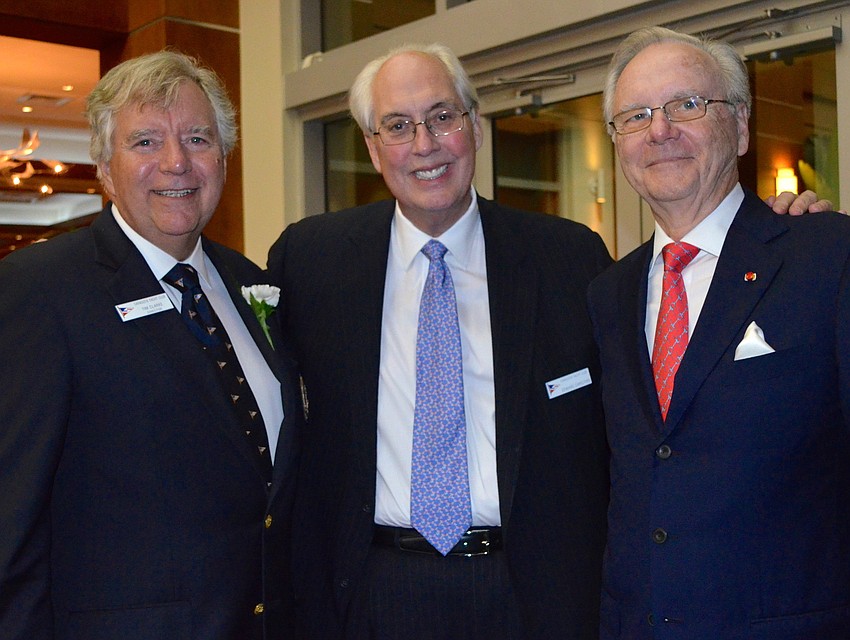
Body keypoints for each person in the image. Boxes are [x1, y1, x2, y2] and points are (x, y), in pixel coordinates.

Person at [266, 43, 825, 639]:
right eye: (397, 126)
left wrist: (769, 232)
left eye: (443, 117)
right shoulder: (309, 261)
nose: (424, 144)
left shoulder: (572, 259)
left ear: (474, 128)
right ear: (373, 149)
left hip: (533, 594)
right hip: (371, 592)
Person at [0, 51, 301, 640]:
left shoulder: (247, 283)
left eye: (197, 138)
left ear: (223, 157)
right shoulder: (39, 291)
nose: (177, 162)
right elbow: (11, 525)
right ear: (105, 167)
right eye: (145, 142)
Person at [588, 26, 850, 639]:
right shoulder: (608, 293)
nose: (660, 130)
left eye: (688, 105)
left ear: (740, 127)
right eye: (636, 115)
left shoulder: (828, 257)